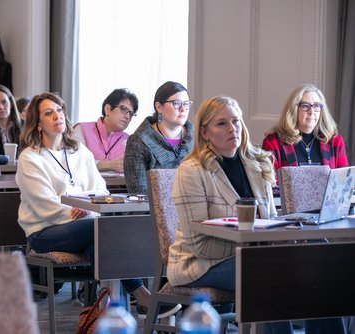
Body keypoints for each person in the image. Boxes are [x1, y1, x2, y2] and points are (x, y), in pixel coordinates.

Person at [168, 95, 346, 334]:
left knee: (320, 263)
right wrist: (260, 250)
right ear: (204, 133)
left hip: (254, 256)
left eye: (237, 121)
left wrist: (284, 239)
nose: (233, 128)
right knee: (270, 273)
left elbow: (269, 222)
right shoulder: (192, 171)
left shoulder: (257, 162)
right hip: (199, 265)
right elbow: (200, 246)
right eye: (222, 123)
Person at [16, 92, 180, 319]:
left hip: (85, 225)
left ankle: (114, 313)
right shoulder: (30, 157)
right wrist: (76, 208)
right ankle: (140, 295)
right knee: (102, 230)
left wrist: (86, 206)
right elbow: (42, 201)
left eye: (59, 110)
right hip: (44, 231)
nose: (57, 115)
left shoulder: (79, 152)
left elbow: (100, 190)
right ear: (37, 124)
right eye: (48, 112)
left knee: (100, 242)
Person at [124, 81, 193, 194]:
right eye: (176, 103)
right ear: (159, 107)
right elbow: (139, 193)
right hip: (153, 209)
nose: (183, 109)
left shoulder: (198, 138)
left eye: (186, 104)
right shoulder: (139, 141)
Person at [262, 83, 348, 170]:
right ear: (293, 110)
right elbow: (268, 182)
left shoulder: (335, 141)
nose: (311, 112)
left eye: (316, 106)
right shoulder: (273, 142)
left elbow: (344, 180)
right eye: (305, 106)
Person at [73, 88, 138, 173]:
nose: (127, 116)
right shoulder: (82, 129)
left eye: (131, 113)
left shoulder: (129, 140)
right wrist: (108, 165)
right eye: (123, 109)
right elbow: (73, 161)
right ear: (107, 109)